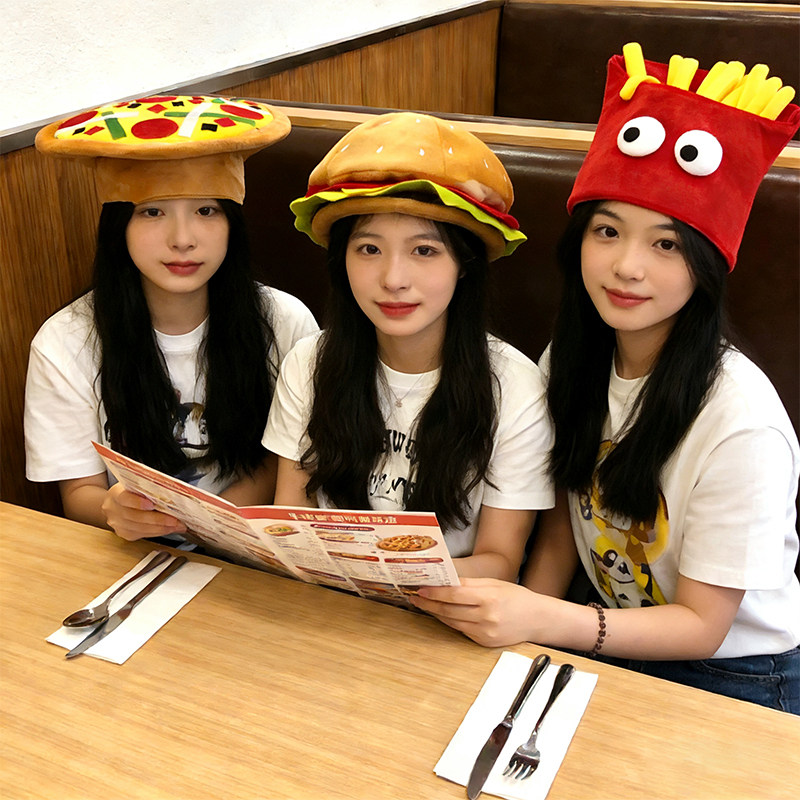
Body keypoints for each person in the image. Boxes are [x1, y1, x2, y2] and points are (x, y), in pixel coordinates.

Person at [411, 45, 800, 713]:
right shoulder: (572, 359)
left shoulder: (741, 422)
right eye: (608, 231)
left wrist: (543, 620)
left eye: (666, 244)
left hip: (739, 674)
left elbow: (703, 626)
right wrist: (520, 633)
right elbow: (566, 527)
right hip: (601, 633)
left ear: (707, 263)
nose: (627, 267)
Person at [263, 112, 554, 579]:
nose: (393, 279)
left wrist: (380, 574)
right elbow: (291, 524)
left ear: (464, 263)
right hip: (325, 599)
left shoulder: (515, 387)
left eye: (424, 250)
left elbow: (499, 563)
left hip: (449, 608)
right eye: (369, 249)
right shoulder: (309, 363)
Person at [25, 95, 318, 542]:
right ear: (118, 226)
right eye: (152, 211)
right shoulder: (64, 341)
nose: (182, 239)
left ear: (232, 224)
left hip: (251, 549)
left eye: (206, 210)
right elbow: (80, 492)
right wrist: (112, 510)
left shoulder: (284, 321)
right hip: (133, 552)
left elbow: (285, 465)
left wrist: (211, 529)